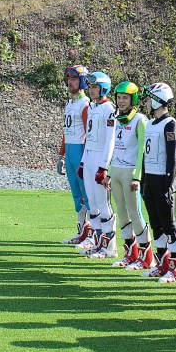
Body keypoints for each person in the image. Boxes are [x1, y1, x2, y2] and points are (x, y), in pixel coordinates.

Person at [140, 82, 176, 283]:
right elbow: (144, 155)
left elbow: (172, 157)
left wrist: (169, 183)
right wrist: (143, 179)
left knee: (169, 225)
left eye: (150, 98)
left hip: (163, 180)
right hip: (150, 178)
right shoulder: (150, 124)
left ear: (159, 99)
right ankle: (163, 264)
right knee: (156, 225)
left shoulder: (170, 124)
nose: (147, 102)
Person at [105, 81, 149, 266]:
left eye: (125, 98)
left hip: (131, 172)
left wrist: (138, 176)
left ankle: (146, 257)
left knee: (135, 213)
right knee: (122, 213)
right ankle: (130, 253)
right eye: (119, 98)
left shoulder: (140, 120)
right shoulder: (116, 118)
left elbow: (142, 151)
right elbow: (113, 147)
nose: (121, 101)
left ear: (133, 99)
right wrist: (108, 172)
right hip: (116, 172)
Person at [77, 71, 116, 257]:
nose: (91, 90)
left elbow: (110, 141)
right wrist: (83, 163)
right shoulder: (92, 107)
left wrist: (104, 166)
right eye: (90, 87)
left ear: (104, 88)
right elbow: (89, 138)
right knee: (92, 203)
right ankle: (98, 242)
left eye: (95, 87)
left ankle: (110, 246)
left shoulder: (109, 109)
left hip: (101, 158)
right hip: (90, 157)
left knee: (103, 202)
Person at [60, 65, 91, 246]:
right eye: (69, 79)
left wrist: (85, 158)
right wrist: (61, 154)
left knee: (86, 193)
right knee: (75, 193)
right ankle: (81, 231)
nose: (70, 82)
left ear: (83, 81)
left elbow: (89, 134)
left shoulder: (85, 104)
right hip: (71, 150)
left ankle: (91, 234)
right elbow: (66, 131)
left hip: (80, 150)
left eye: (74, 79)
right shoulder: (70, 103)